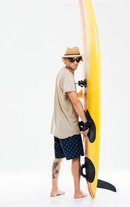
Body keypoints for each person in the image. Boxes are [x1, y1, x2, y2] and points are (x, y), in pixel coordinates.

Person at [50, 47, 89, 198]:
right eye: (72, 59)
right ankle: (77, 192)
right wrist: (86, 123)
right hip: (68, 126)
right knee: (75, 158)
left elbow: (68, 95)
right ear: (65, 60)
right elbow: (75, 103)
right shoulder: (67, 76)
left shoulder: (62, 73)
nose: (75, 62)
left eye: (77, 59)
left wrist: (80, 93)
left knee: (58, 157)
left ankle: (54, 189)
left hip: (58, 126)